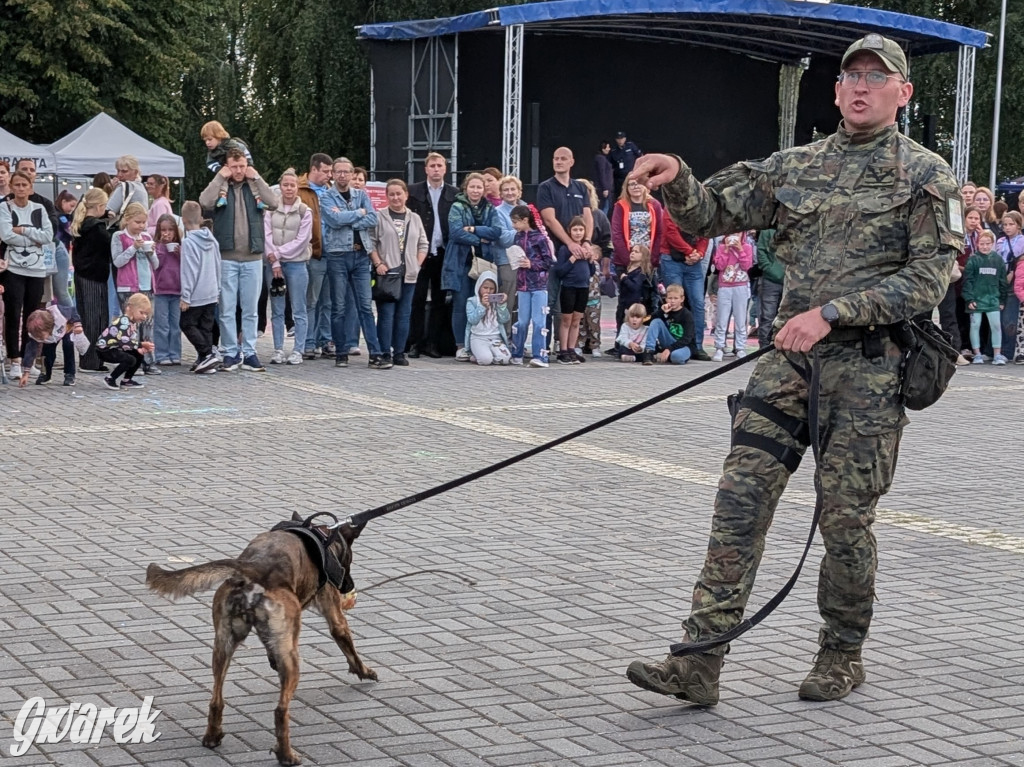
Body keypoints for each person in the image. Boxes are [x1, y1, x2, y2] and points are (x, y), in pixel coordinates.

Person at [625, 34, 963, 705]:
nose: (861, 85)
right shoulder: (800, 163)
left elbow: (929, 279)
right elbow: (717, 210)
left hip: (867, 375)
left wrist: (834, 312)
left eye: (877, 75)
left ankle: (842, 652)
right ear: (836, 91)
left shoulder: (928, 176)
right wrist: (678, 176)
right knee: (739, 502)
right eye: (851, 76)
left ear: (904, 92)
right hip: (789, 366)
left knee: (844, 522)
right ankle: (699, 661)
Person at [199, 147, 278, 372]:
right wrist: (219, 177)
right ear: (227, 166)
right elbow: (205, 201)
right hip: (227, 256)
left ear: (247, 165)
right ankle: (230, 352)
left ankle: (250, 352)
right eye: (234, 167)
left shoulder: (253, 186)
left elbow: (274, 203)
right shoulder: (222, 185)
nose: (239, 170)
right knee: (226, 308)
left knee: (251, 308)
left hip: (253, 256)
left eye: (242, 166)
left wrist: (258, 177)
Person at [320, 157, 389, 369]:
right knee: (338, 307)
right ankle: (341, 352)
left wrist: (350, 216)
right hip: (338, 255)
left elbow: (373, 219)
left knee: (365, 307)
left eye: (346, 172)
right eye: (338, 171)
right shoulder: (326, 197)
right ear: (332, 174)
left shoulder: (361, 195)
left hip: (361, 256)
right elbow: (334, 221)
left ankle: (375, 354)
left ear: (351, 174)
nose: (342, 175)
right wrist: (358, 213)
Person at [445, 172, 513, 361]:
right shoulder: (457, 207)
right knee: (461, 304)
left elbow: (497, 231)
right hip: (460, 262)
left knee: (483, 302)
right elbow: (456, 233)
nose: (475, 190)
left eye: (479, 187)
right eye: (472, 187)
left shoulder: (490, 208)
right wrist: (480, 239)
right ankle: (461, 345)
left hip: (484, 263)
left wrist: (474, 229)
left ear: (484, 190)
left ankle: (480, 342)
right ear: (466, 188)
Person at [537, 148, 593, 353]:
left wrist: (586, 241)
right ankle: (543, 348)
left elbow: (588, 216)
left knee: (570, 308)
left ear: (572, 162)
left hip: (578, 259)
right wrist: (570, 243)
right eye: (555, 159)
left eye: (563, 159)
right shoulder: (546, 187)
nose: (559, 162)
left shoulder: (580, 187)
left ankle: (566, 349)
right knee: (550, 303)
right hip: (554, 255)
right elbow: (549, 219)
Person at [1, 170, 54, 379]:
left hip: (37, 268)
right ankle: (14, 358)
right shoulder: (5, 208)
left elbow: (48, 236)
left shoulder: (39, 209)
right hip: (13, 267)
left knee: (33, 315)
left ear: (31, 187)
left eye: (25, 185)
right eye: (18, 185)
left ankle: (27, 359)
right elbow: (5, 235)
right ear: (12, 187)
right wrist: (34, 237)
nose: (21, 189)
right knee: (13, 313)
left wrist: (23, 231)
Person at [370, 179, 427, 367]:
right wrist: (378, 263)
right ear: (387, 196)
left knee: (404, 314)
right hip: (387, 273)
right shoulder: (379, 217)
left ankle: (399, 352)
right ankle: (384, 351)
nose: (396, 197)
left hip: (409, 274)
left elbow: (423, 244)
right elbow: (371, 242)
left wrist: (417, 264)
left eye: (399, 193)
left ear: (406, 195)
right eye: (392, 194)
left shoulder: (415, 218)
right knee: (386, 314)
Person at [407, 152, 458, 359]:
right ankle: (414, 342)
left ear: (445, 169)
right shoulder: (413, 191)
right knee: (417, 299)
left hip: (443, 253)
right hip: (420, 253)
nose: (436, 169)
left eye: (440, 166)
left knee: (439, 300)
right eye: (432, 166)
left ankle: (433, 343)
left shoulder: (455, 193)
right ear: (426, 169)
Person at [264, 169, 312, 366]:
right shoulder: (270, 209)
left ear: (297, 187)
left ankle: (298, 350)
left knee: (299, 308)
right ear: (280, 187)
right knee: (276, 308)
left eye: (292, 185)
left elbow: (302, 240)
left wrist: (279, 253)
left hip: (297, 263)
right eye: (286, 185)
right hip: (273, 264)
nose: (289, 189)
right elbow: (266, 234)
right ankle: (277, 349)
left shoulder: (304, 211)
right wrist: (274, 261)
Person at [111, 202, 159, 374]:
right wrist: (133, 248)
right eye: (137, 222)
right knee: (130, 326)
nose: (141, 226)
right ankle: (133, 361)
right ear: (128, 220)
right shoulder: (119, 237)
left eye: (143, 222)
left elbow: (156, 264)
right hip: (127, 287)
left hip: (147, 286)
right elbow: (117, 261)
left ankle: (149, 361)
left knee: (148, 324)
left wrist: (151, 252)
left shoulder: (146, 237)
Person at [70, 188, 113, 372]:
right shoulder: (96, 227)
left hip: (82, 275)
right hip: (94, 277)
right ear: (100, 206)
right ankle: (91, 361)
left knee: (88, 317)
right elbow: (110, 242)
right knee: (95, 319)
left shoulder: (82, 224)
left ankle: (89, 359)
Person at [178, 201, 222, 374]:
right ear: (201, 218)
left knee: (187, 323)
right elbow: (219, 265)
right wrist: (218, 289)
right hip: (211, 290)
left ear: (183, 220)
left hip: (196, 292)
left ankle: (207, 353)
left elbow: (189, 270)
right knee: (205, 326)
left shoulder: (188, 242)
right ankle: (204, 359)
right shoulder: (212, 240)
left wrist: (185, 296)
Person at [660, 213, 711, 359]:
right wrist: (690, 251)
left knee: (698, 303)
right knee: (674, 301)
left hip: (693, 262)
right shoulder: (671, 206)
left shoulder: (701, 206)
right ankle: (674, 344)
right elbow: (671, 233)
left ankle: (698, 346)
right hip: (671, 259)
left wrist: (700, 253)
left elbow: (705, 231)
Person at [508, 204, 554, 367]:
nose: (514, 226)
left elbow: (548, 261)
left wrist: (532, 264)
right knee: (522, 320)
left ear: (525, 220)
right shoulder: (518, 237)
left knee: (539, 321)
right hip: (523, 285)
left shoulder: (540, 238)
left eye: (515, 222)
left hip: (539, 285)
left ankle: (540, 355)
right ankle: (517, 353)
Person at [297, 153, 331, 360]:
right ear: (314, 169)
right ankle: (308, 341)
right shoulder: (301, 191)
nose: (329, 175)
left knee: (328, 301)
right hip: (312, 252)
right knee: (311, 299)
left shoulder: (331, 191)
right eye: (325, 171)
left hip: (332, 252)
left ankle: (324, 340)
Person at [552, 216, 595, 364]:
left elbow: (591, 272)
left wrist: (590, 260)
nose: (578, 233)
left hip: (583, 287)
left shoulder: (586, 248)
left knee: (577, 320)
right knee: (566, 319)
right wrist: (572, 259)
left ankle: (572, 348)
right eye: (575, 230)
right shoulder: (565, 249)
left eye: (581, 230)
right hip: (569, 287)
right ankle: (563, 350)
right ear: (570, 232)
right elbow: (559, 271)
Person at [964, 229, 1007, 364]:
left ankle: (997, 354)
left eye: (988, 243)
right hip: (976, 300)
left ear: (992, 244)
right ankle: (977, 353)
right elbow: (967, 281)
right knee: (975, 325)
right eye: (982, 244)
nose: (985, 246)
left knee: (996, 326)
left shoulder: (998, 260)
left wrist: (1002, 299)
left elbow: (1002, 281)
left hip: (993, 299)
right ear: (977, 244)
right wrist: (969, 298)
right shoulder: (973, 260)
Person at [96, 292, 153, 389]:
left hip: (116, 347)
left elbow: (130, 341)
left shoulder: (132, 322)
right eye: (141, 312)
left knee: (138, 355)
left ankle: (126, 380)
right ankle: (110, 378)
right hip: (105, 350)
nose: (144, 317)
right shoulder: (124, 322)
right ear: (130, 309)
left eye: (146, 314)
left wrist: (139, 349)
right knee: (130, 359)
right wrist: (141, 344)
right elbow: (125, 342)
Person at [711, 231, 753, 361]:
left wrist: (740, 249)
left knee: (740, 319)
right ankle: (719, 347)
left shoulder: (747, 247)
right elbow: (719, 265)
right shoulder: (721, 247)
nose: (734, 235)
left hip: (741, 286)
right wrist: (726, 250)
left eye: (738, 233)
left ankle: (740, 347)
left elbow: (747, 265)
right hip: (725, 286)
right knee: (722, 318)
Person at [20, 305, 86, 387]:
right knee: (47, 353)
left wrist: (77, 324)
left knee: (68, 346)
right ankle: (46, 374)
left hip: (66, 328)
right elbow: (30, 352)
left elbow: (72, 310)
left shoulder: (60, 313)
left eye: (41, 337)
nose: (39, 339)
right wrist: (26, 373)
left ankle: (70, 374)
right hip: (51, 336)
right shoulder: (36, 333)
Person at [612, 178, 664, 272]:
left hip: (649, 260)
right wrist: (630, 261)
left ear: (645, 186)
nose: (635, 186)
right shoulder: (620, 206)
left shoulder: (655, 205)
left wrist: (652, 259)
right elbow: (616, 235)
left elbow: (660, 233)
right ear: (626, 188)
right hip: (625, 262)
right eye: (631, 184)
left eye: (639, 183)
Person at [152, 214, 183, 365]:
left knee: (175, 326)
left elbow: (186, 267)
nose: (167, 233)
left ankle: (175, 353)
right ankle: (162, 354)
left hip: (177, 291)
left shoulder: (181, 246)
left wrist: (180, 255)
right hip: (161, 291)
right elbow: (157, 265)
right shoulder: (157, 247)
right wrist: (163, 249)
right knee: (161, 325)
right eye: (163, 230)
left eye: (170, 230)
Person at [465, 270, 511, 366]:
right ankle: (479, 355)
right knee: (485, 360)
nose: (488, 291)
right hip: (478, 337)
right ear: (479, 287)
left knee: (506, 359)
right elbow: (472, 320)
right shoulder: (472, 301)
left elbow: (504, 319)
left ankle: (487, 355)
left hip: (495, 338)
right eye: (485, 288)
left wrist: (501, 305)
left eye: (492, 288)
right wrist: (482, 306)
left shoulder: (496, 302)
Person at [995, 211, 1023, 364]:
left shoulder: (1022, 241)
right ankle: (996, 349)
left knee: (1009, 319)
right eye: (1005, 225)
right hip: (1000, 280)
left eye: (1011, 224)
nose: (1007, 228)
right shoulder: (999, 241)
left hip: (1014, 281)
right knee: (997, 318)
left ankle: (1008, 350)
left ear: (1018, 225)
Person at [642, 283, 694, 365]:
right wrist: (661, 312)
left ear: (682, 299)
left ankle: (666, 355)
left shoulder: (687, 315)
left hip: (683, 346)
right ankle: (649, 352)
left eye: (676, 298)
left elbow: (687, 338)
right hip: (668, 341)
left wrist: (669, 349)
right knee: (656, 321)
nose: (672, 301)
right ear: (666, 299)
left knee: (676, 357)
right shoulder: (664, 310)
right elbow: (646, 322)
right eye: (670, 298)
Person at [617, 244, 656, 334]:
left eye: (636, 252)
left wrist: (625, 279)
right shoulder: (628, 269)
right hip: (623, 303)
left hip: (635, 305)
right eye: (632, 251)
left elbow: (635, 287)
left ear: (643, 256)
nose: (632, 253)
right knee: (621, 326)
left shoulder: (641, 272)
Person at [755, 229, 783, 348]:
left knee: (789, 317)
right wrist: (769, 269)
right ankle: (764, 350)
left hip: (793, 280)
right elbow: (760, 251)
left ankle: (785, 351)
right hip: (770, 280)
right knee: (767, 317)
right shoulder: (767, 231)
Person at [609, 130, 643, 200]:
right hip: (620, 178)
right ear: (616, 140)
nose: (620, 141)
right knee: (620, 196)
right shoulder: (614, 151)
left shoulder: (630, 146)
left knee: (634, 194)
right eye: (618, 139)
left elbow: (640, 157)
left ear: (625, 139)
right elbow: (610, 165)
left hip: (632, 176)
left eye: (621, 138)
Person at [593, 141, 615, 215]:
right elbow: (602, 173)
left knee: (606, 207)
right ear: (603, 148)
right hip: (603, 189)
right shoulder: (600, 158)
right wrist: (605, 188)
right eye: (607, 147)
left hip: (606, 188)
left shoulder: (603, 158)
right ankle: (601, 224)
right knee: (604, 208)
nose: (609, 149)